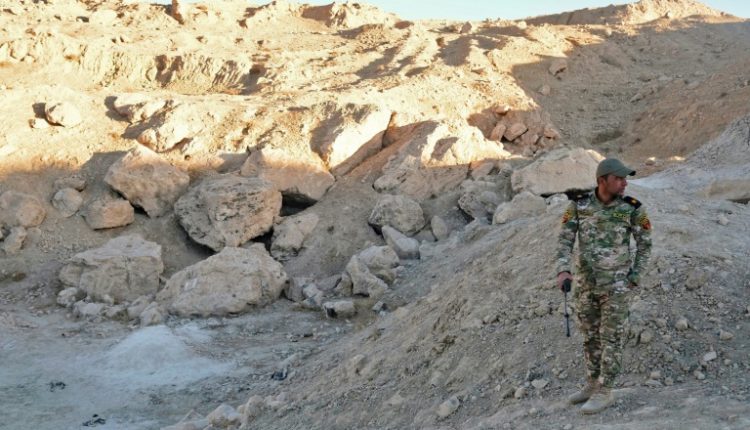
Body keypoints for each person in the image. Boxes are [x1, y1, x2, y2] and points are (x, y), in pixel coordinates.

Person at [555, 158, 652, 414]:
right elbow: (565, 240)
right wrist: (563, 270)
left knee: (612, 338)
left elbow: (645, 245)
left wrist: (635, 276)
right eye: (618, 179)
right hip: (586, 285)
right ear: (602, 181)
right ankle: (591, 384)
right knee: (590, 337)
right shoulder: (579, 205)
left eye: (625, 179)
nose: (624, 183)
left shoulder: (632, 208)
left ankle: (605, 390)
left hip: (617, 287)